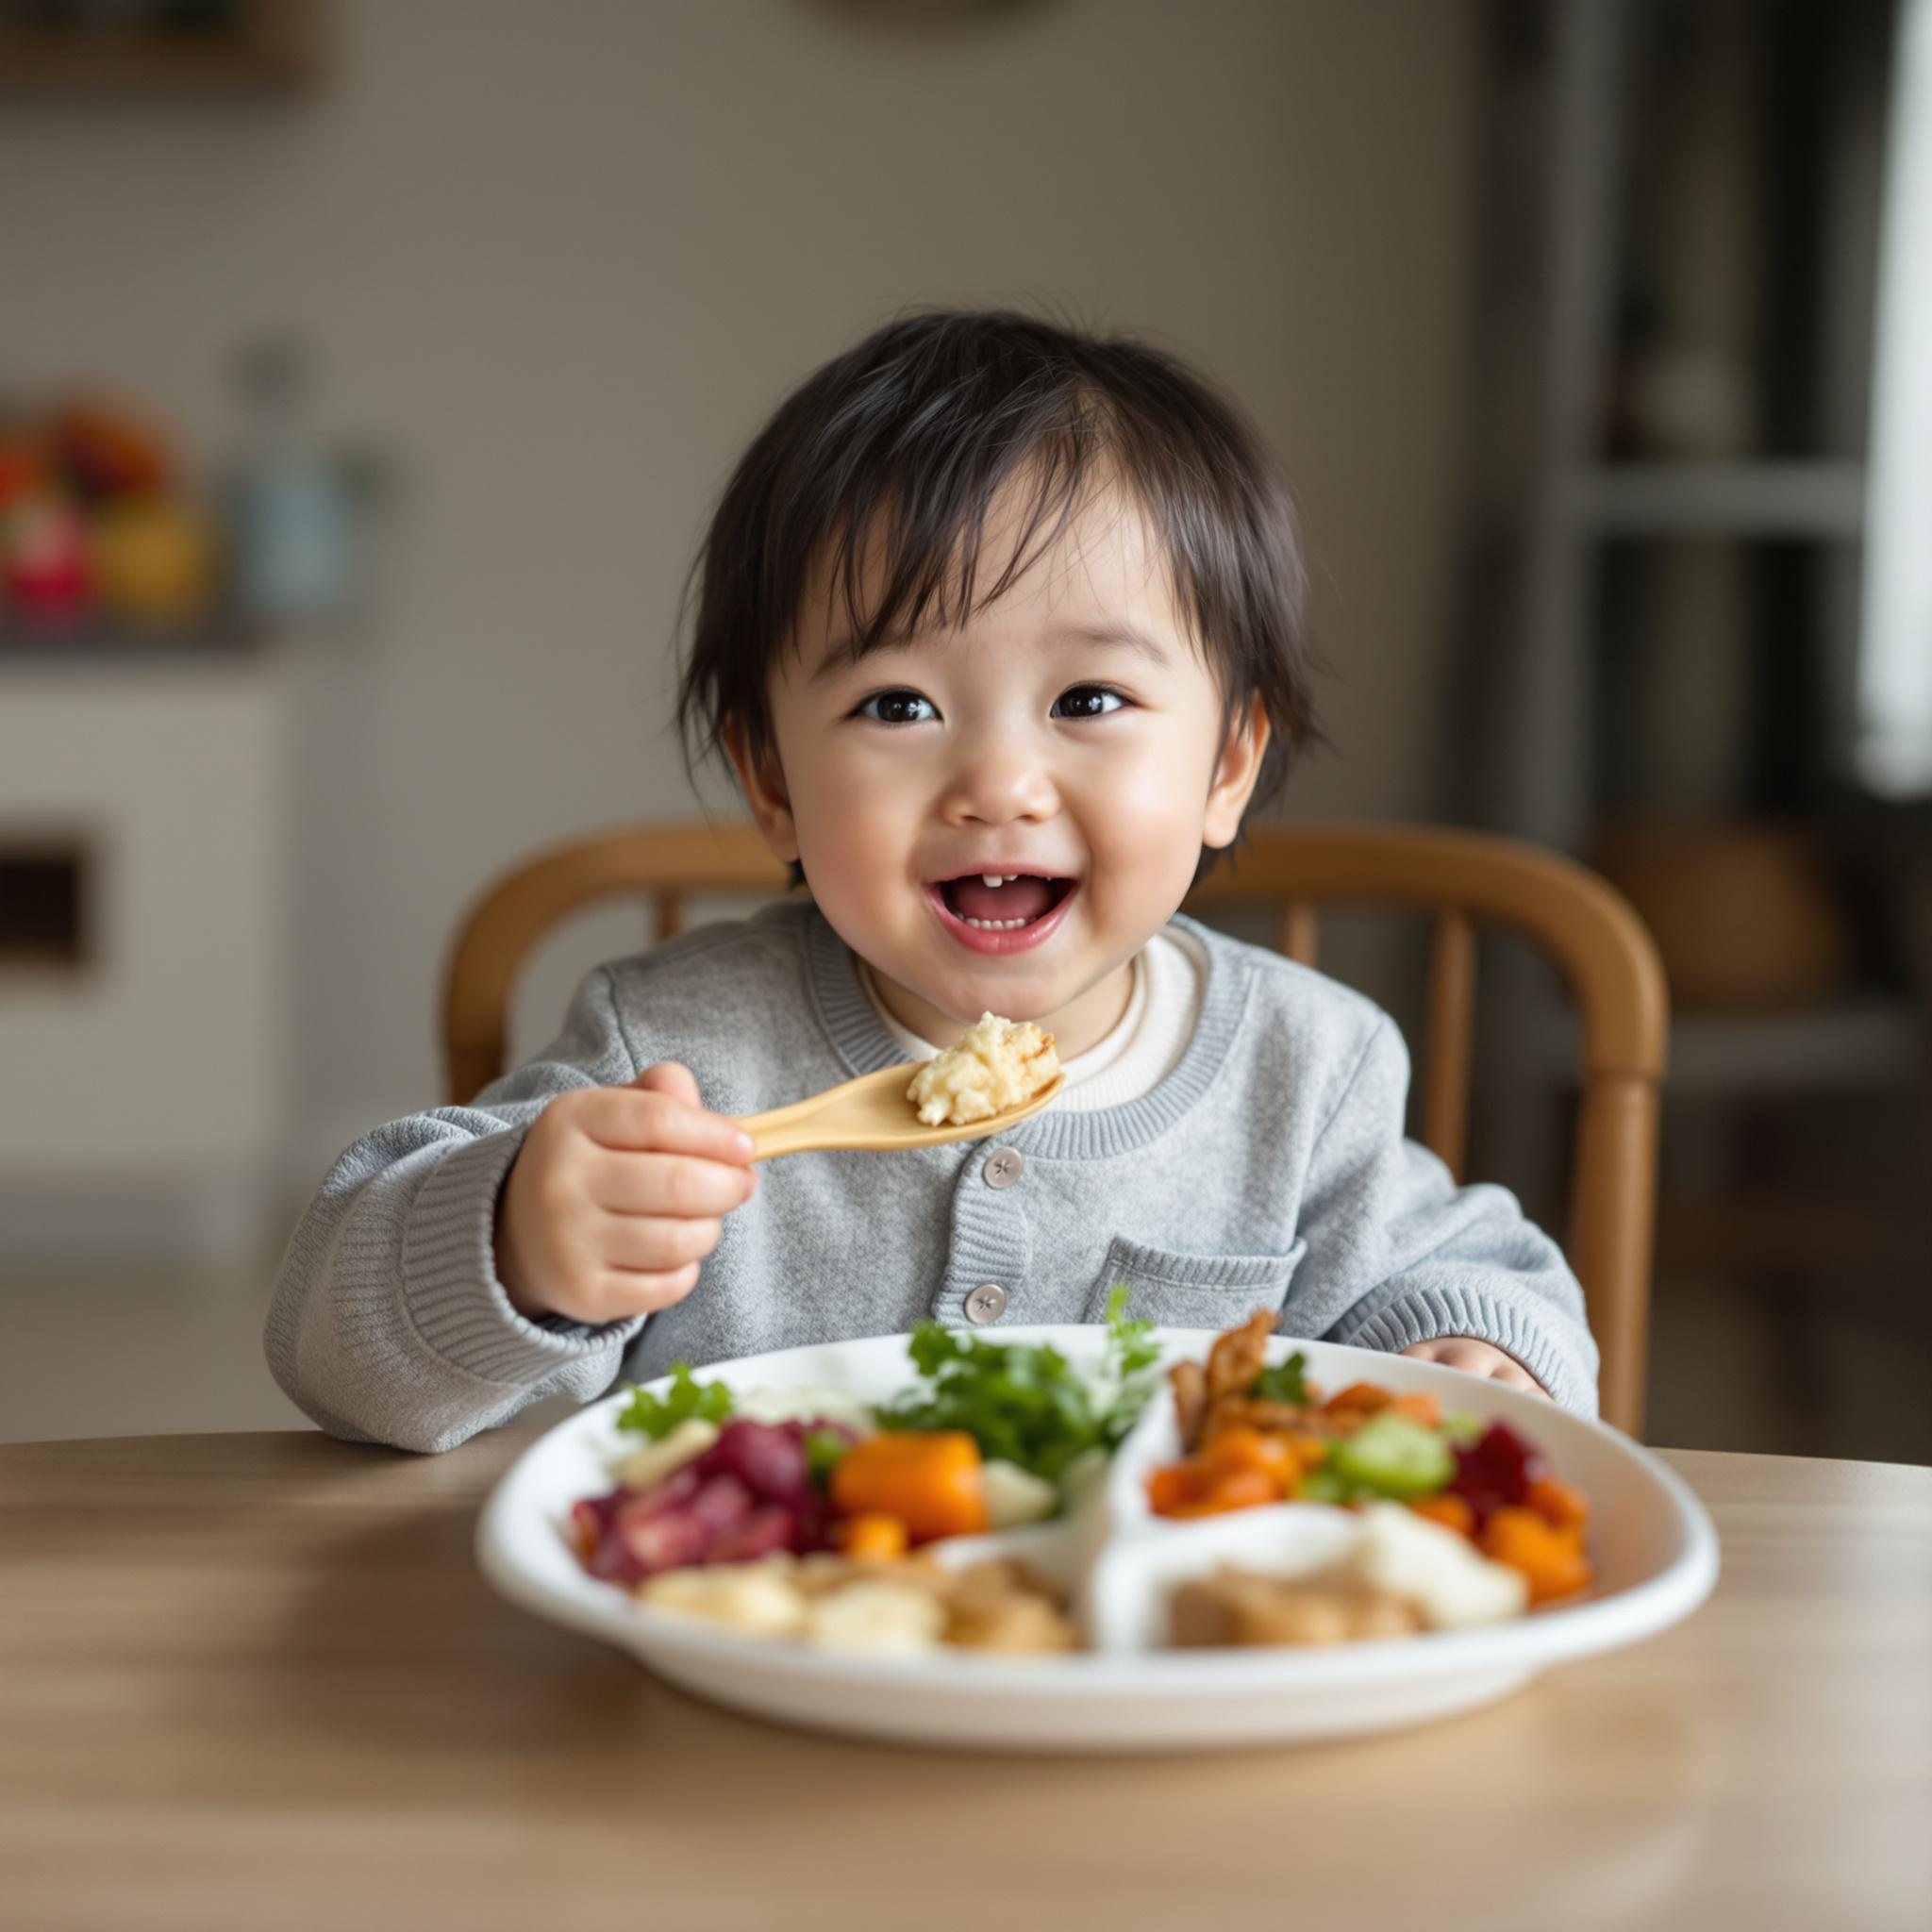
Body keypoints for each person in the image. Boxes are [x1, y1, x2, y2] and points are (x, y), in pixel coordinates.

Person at [267, 309, 1596, 1454]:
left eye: (1089, 699)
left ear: (1228, 766)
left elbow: (1462, 1276)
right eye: (898, 705)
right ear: (773, 780)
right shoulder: (671, 1054)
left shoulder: (1306, 1074)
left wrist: (1483, 1350)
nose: (999, 783)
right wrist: (517, 1246)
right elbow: (337, 1358)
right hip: (748, 1639)